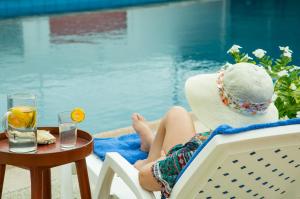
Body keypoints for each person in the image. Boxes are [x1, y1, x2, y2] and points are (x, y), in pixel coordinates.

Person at [132, 63, 279, 198]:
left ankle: (150, 157)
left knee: (175, 116)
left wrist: (157, 163)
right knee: (177, 114)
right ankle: (152, 146)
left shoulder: (200, 149)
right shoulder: (278, 145)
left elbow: (145, 178)